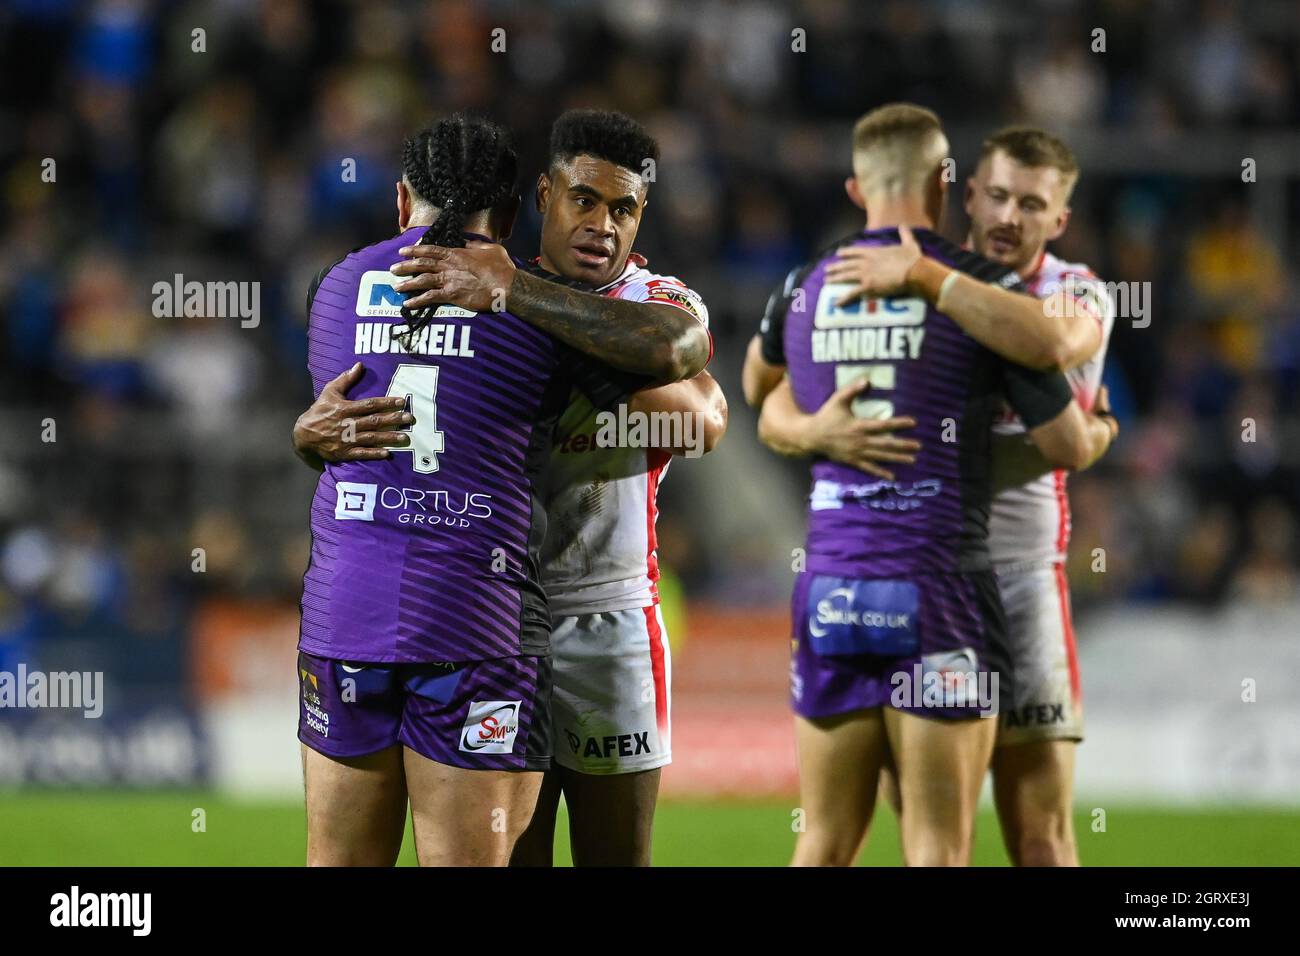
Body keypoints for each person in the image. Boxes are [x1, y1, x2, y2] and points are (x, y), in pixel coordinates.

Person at [295, 110, 724, 866]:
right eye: (584, 200)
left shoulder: (649, 296)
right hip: (493, 619)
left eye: (623, 209)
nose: (601, 225)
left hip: (603, 615)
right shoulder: (480, 283)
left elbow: (704, 419)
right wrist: (308, 436)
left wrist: (517, 298)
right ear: (543, 197)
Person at [741, 103, 1117, 866]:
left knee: (1029, 835)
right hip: (950, 582)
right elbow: (1066, 438)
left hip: (927, 579)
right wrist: (815, 429)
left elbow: (754, 385)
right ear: (962, 191)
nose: (1012, 215)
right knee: (935, 838)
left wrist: (919, 272)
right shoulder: (968, 291)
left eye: (1034, 204)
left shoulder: (1061, 290)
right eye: (1001, 196)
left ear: (1061, 219)